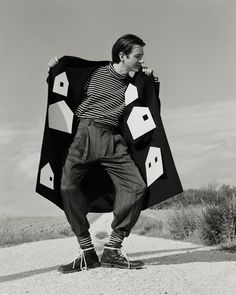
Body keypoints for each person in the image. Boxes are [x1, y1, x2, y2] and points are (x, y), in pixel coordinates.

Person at [48, 34, 159, 273]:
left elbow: (150, 108)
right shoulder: (94, 73)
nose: (141, 60)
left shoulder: (135, 83)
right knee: (67, 186)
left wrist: (151, 81)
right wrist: (55, 70)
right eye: (137, 56)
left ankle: (112, 248)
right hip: (84, 134)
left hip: (113, 140)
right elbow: (63, 87)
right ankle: (87, 252)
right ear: (122, 56)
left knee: (136, 187)